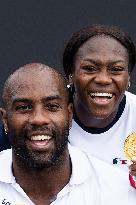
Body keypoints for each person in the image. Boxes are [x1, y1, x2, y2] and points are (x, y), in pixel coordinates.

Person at [1, 62, 135, 205]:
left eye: (52, 106)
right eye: (24, 107)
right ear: (5, 119)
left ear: (69, 114)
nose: (38, 119)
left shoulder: (118, 190)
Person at [62, 24, 136, 176]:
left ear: (128, 77)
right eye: (89, 68)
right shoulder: (46, 114)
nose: (103, 80)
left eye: (116, 69)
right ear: (71, 74)